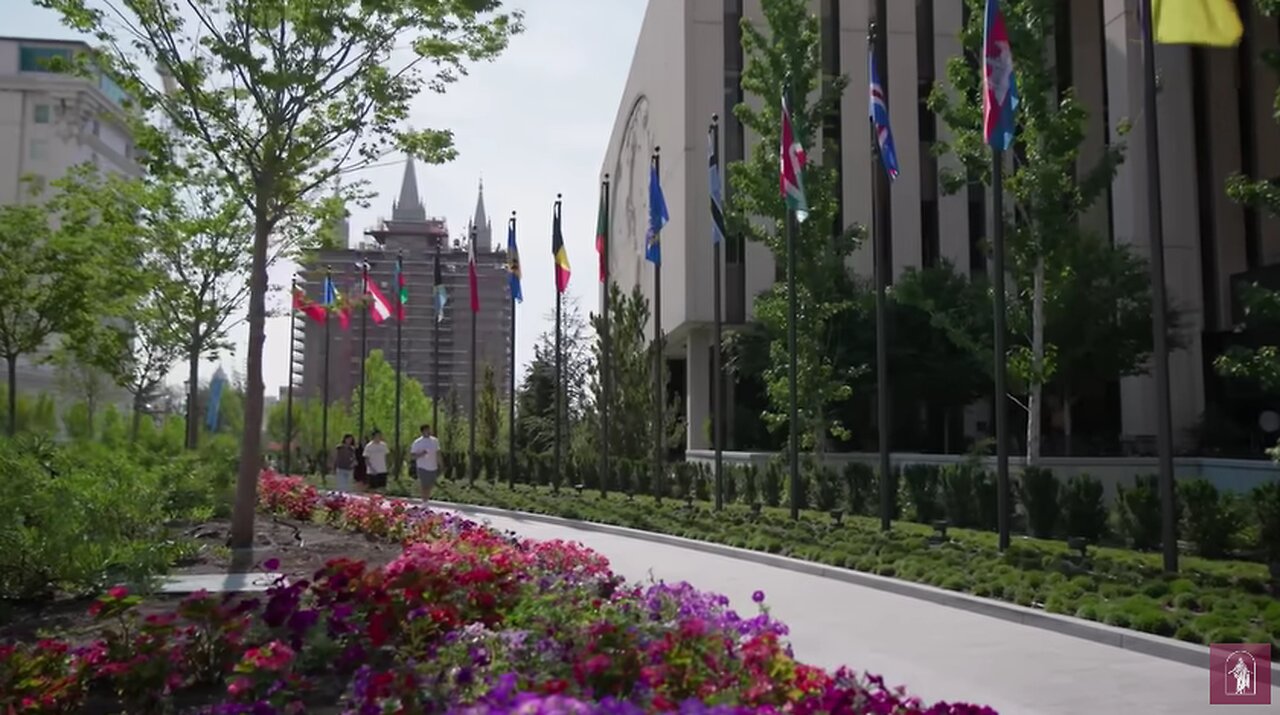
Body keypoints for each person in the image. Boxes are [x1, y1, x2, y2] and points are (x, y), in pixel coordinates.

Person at [409, 424, 441, 501]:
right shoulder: (417, 442)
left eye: (429, 430)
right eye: (427, 430)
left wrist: (441, 463)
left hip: (433, 466)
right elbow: (412, 456)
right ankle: (424, 502)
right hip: (422, 467)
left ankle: (427, 499)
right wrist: (421, 454)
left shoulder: (435, 441)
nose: (429, 431)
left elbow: (438, 453)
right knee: (424, 485)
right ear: (422, 431)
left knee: (430, 485)